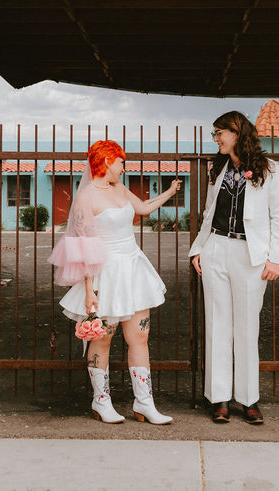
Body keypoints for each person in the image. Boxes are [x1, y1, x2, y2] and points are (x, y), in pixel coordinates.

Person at [52, 140, 182, 425]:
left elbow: (144, 209)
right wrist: (89, 290)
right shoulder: (86, 197)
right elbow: (83, 246)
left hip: (133, 270)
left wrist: (171, 192)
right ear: (106, 161)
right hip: (104, 273)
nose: (123, 166)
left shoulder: (119, 189)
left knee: (140, 336)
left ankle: (144, 403)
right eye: (120, 161)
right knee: (103, 338)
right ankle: (101, 401)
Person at [189, 111, 279, 425]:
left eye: (220, 133)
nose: (215, 139)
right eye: (215, 134)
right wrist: (199, 249)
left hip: (251, 255)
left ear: (237, 132)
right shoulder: (217, 168)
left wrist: (275, 258)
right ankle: (219, 398)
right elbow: (208, 212)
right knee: (217, 323)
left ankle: (248, 399)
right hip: (216, 248)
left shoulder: (269, 169)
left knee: (246, 326)